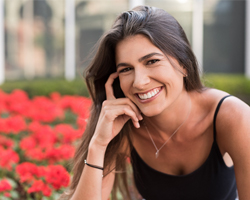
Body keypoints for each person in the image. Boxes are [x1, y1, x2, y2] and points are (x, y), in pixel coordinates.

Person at [60, 5, 250, 200]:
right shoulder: (123, 126)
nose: (139, 82)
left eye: (152, 61)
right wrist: (99, 144)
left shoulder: (234, 118)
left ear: (184, 64)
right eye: (126, 69)